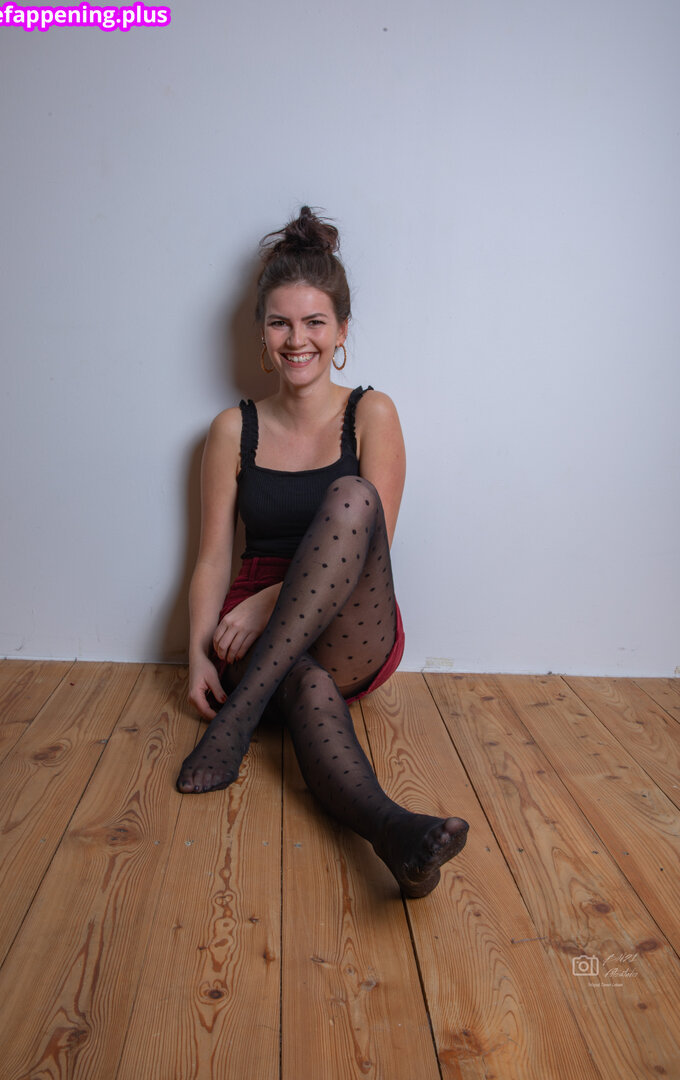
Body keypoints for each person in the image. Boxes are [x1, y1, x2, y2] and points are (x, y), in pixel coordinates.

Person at [176, 207, 468, 897]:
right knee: (305, 686)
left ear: (340, 331)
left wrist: (268, 604)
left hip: (347, 621)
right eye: (280, 323)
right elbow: (213, 556)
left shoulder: (372, 412)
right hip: (249, 630)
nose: (297, 339)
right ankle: (397, 835)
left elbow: (371, 540)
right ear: (261, 333)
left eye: (314, 322)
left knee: (353, 497)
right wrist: (197, 654)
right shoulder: (232, 428)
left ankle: (238, 720)